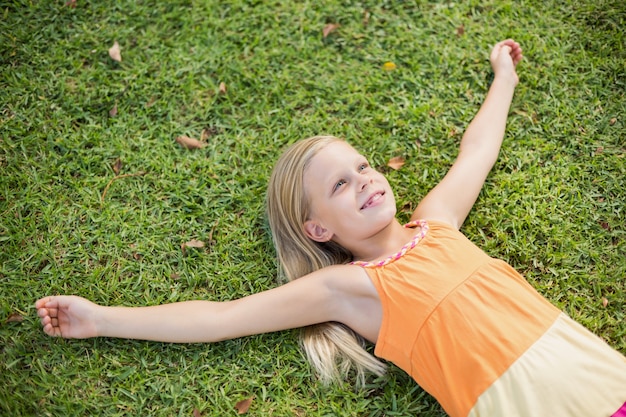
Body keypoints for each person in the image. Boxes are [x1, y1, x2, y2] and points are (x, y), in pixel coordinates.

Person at [36, 39, 626, 417]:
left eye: (362, 166)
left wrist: (505, 78)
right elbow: (220, 316)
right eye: (341, 185)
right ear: (317, 230)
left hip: (607, 375)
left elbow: (477, 153)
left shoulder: (439, 224)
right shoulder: (350, 289)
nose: (365, 180)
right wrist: (101, 319)